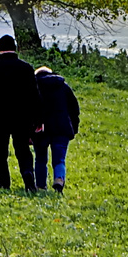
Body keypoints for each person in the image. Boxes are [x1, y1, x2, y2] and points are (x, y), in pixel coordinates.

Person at [0, 35, 44, 191]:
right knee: (23, 150)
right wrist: (39, 119)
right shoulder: (26, 68)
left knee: (0, 152)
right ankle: (28, 178)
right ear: (15, 48)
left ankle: (2, 183)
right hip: (22, 118)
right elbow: (35, 96)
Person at [32, 65, 80, 194]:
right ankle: (59, 179)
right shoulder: (63, 87)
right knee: (59, 159)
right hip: (62, 127)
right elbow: (75, 109)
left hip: (40, 129)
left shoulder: (34, 87)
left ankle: (41, 186)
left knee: (40, 158)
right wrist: (73, 128)